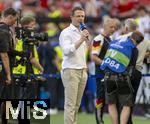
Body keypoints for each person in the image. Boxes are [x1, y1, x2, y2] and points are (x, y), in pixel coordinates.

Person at [100, 31, 144, 124]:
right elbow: (131, 67)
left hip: (108, 77)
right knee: (127, 105)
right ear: (138, 42)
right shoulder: (133, 48)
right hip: (122, 78)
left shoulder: (113, 42)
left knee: (111, 104)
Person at [59, 7, 89, 124]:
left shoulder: (82, 31)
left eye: (82, 16)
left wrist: (85, 39)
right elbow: (67, 51)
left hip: (82, 70)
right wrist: (82, 39)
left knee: (76, 105)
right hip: (71, 70)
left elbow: (83, 52)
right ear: (71, 17)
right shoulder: (66, 32)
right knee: (70, 104)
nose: (81, 18)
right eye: (78, 16)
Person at [91, 17, 116, 124]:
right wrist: (107, 64)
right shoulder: (98, 39)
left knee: (111, 98)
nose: (113, 29)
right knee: (100, 97)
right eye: (111, 27)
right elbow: (94, 58)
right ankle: (99, 120)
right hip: (101, 74)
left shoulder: (111, 39)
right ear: (105, 27)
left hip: (110, 73)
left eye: (115, 27)